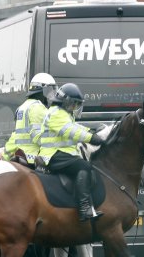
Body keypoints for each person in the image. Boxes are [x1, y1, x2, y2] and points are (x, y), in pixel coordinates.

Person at [35, 82, 105, 220]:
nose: (75, 107)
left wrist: (92, 132)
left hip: (60, 153)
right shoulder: (56, 113)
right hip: (52, 154)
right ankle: (84, 208)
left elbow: (76, 127)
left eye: (77, 104)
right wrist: (92, 138)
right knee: (84, 166)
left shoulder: (65, 114)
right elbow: (70, 131)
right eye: (73, 103)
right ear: (65, 101)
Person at [3, 73, 57, 166]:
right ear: (41, 91)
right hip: (35, 159)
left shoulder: (22, 108)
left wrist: (5, 156)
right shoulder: (38, 108)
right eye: (49, 91)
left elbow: (15, 137)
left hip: (21, 157)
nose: (50, 95)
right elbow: (41, 138)